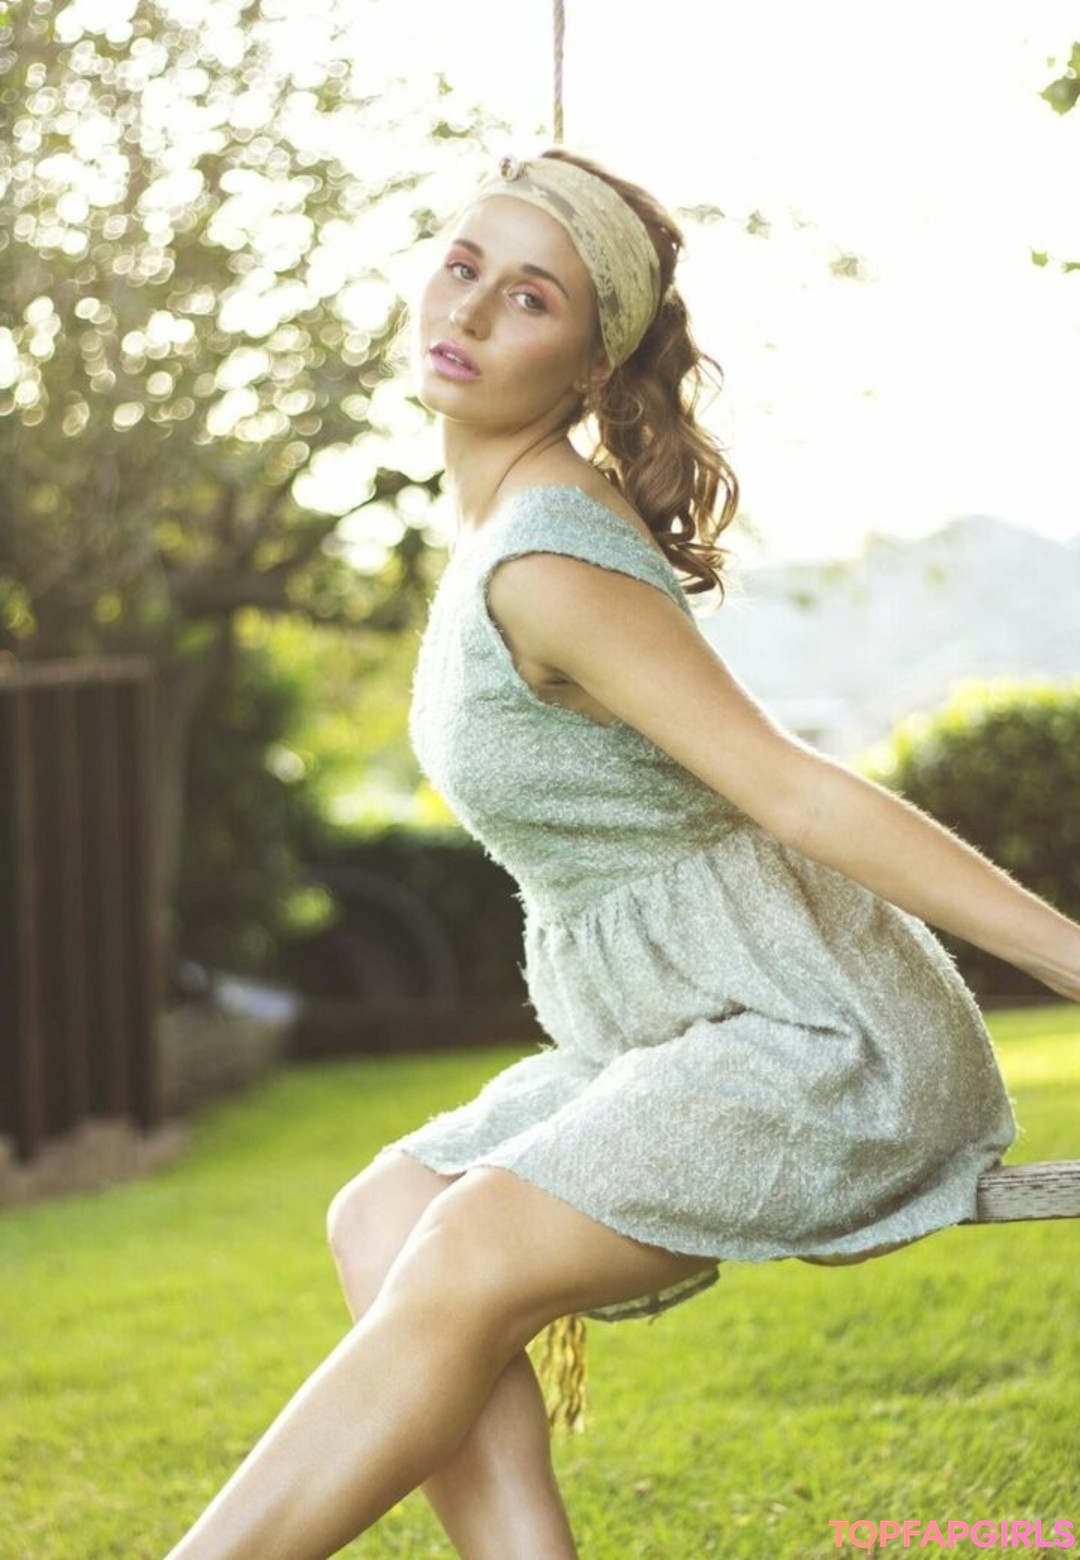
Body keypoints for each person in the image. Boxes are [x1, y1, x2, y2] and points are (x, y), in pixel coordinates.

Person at [163, 148, 1080, 1560]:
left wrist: (1070, 957)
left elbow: (795, 789)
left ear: (594, 362)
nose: (471, 311)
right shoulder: (496, 526)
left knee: (466, 1242)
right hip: (671, 1024)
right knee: (389, 1211)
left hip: (815, 1031)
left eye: (530, 297)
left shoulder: (549, 559)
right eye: (463, 265)